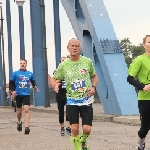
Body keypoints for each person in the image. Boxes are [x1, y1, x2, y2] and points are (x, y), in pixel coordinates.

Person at [51, 38, 98, 150]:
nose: (74, 48)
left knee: (87, 129)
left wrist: (93, 86)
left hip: (86, 100)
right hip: (72, 100)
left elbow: (94, 75)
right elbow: (54, 78)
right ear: (68, 48)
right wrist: (55, 85)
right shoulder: (64, 65)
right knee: (74, 129)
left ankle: (82, 141)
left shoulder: (87, 61)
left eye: (77, 46)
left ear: (80, 48)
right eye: (72, 46)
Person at [127, 35, 150, 150]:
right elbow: (129, 78)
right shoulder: (139, 60)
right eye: (149, 42)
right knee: (145, 127)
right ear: (144, 45)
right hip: (145, 99)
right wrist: (142, 86)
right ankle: (140, 144)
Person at [9, 59, 40, 134]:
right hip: (18, 94)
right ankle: (19, 122)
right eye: (21, 63)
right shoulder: (15, 73)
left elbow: (33, 81)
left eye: (24, 63)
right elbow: (11, 83)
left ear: (26, 64)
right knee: (19, 111)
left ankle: (27, 127)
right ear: (19, 64)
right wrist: (12, 91)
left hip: (26, 94)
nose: (22, 64)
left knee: (26, 110)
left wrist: (35, 86)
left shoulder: (30, 73)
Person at [54, 56, 71, 136]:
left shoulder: (70, 72)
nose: (64, 62)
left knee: (69, 111)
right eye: (62, 61)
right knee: (61, 111)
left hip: (68, 94)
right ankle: (62, 128)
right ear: (59, 63)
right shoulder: (56, 72)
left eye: (65, 60)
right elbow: (53, 82)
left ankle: (68, 127)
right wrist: (56, 84)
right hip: (60, 94)